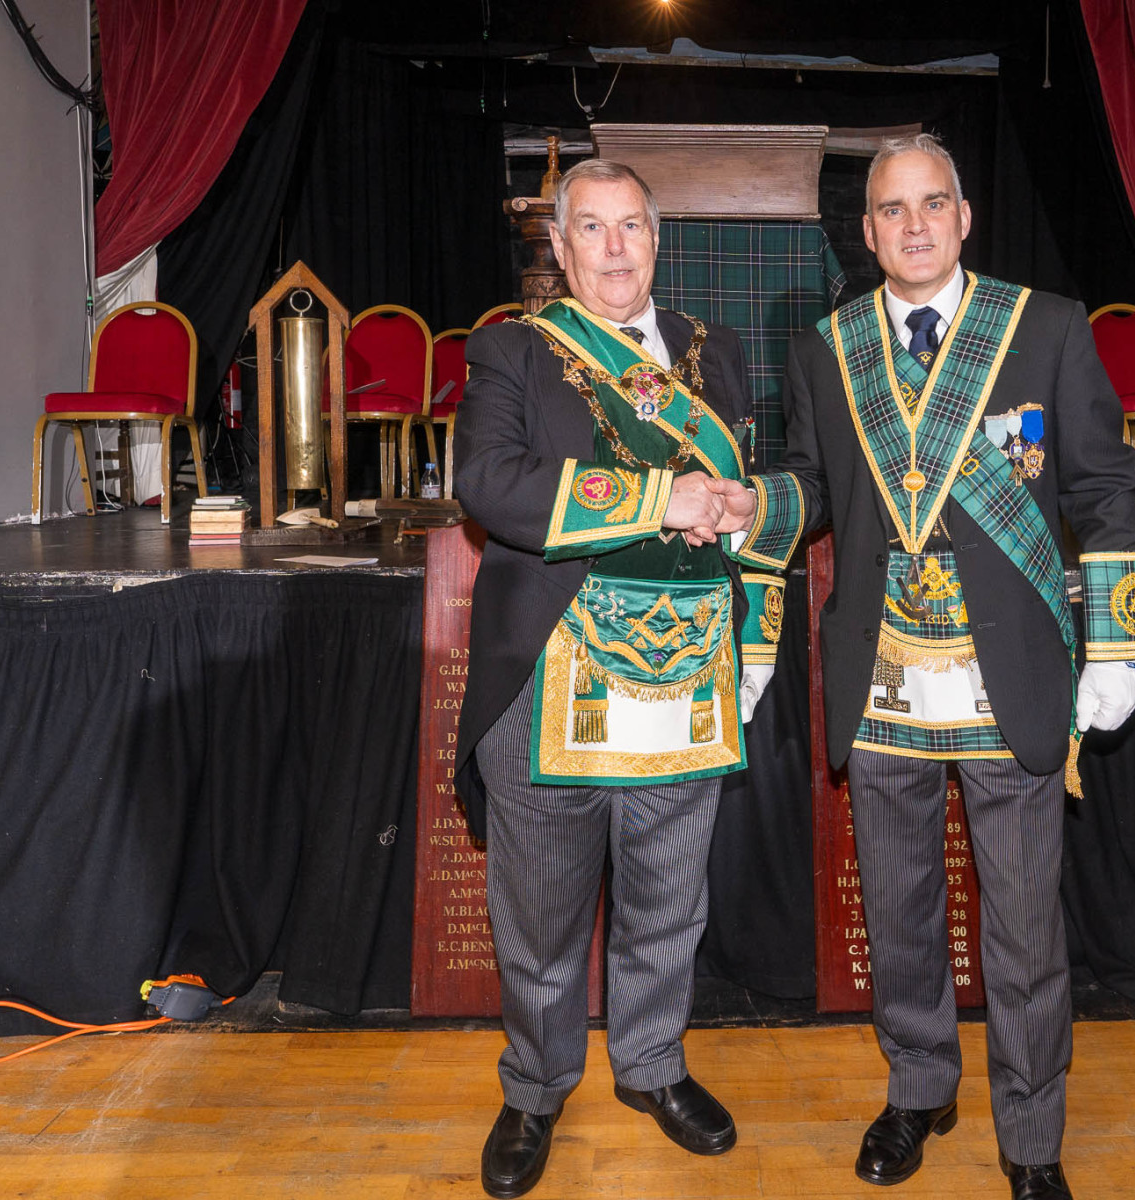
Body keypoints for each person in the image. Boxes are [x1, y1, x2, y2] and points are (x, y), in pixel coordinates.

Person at [723, 133, 1135, 1200]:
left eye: (932, 204)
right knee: (899, 910)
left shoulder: (1044, 327)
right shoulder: (829, 348)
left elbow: (1104, 492)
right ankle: (919, 1089)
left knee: (1023, 927)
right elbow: (813, 484)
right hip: (883, 672)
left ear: (964, 219)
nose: (913, 225)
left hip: (1011, 671)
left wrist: (1118, 646)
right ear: (867, 232)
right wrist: (753, 505)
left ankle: (1032, 1137)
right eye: (891, 209)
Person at [451, 157, 786, 1200]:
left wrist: (742, 530)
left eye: (631, 225)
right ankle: (535, 1086)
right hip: (553, 668)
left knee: (667, 896)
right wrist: (658, 499)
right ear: (558, 248)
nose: (613, 248)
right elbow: (488, 483)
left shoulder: (712, 350)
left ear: (656, 237)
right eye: (590, 229)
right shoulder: (513, 349)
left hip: (683, 666)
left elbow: (742, 493)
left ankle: (651, 1066)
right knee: (540, 913)